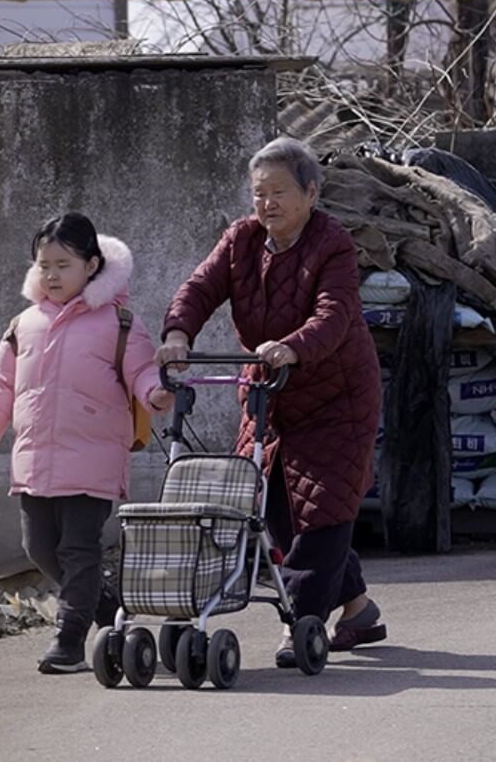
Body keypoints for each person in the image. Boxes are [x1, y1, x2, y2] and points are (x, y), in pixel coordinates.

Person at [155, 137, 386, 666]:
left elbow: (335, 314)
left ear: (311, 192)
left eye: (279, 192)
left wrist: (293, 346)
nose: (268, 204)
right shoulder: (241, 240)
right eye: (259, 193)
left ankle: (300, 622)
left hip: (337, 398)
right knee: (278, 509)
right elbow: (199, 288)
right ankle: (358, 610)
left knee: (325, 510)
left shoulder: (333, 245)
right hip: (269, 395)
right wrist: (177, 333)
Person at [0, 212, 173, 674]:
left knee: (79, 552)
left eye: (63, 264)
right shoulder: (24, 324)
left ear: (92, 266)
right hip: (35, 460)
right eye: (44, 265)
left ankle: (70, 640)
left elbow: (141, 370)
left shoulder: (118, 323)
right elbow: (2, 384)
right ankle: (108, 611)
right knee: (39, 548)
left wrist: (156, 392)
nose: (52, 275)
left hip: (94, 458)